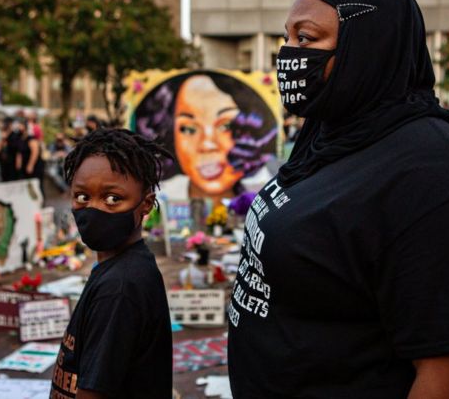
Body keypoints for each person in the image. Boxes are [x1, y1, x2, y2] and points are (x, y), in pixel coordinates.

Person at [227, 0, 449, 398]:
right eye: (286, 38)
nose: (288, 55)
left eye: (306, 39)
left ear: (370, 46)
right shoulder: (332, 130)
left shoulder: (438, 175)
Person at [51, 129, 173, 399]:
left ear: (146, 204)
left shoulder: (118, 289)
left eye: (113, 199)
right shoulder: (121, 268)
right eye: (82, 197)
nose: (94, 209)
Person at [133, 71, 279, 204]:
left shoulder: (267, 193)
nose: (207, 144)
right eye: (189, 129)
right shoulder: (158, 198)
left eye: (225, 126)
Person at [15, 119, 44, 194]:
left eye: (21, 126)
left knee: (36, 185)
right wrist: (19, 164)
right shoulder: (20, 138)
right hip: (24, 165)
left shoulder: (31, 138)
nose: (19, 128)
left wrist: (30, 165)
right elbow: (19, 152)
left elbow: (35, 152)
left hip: (34, 166)